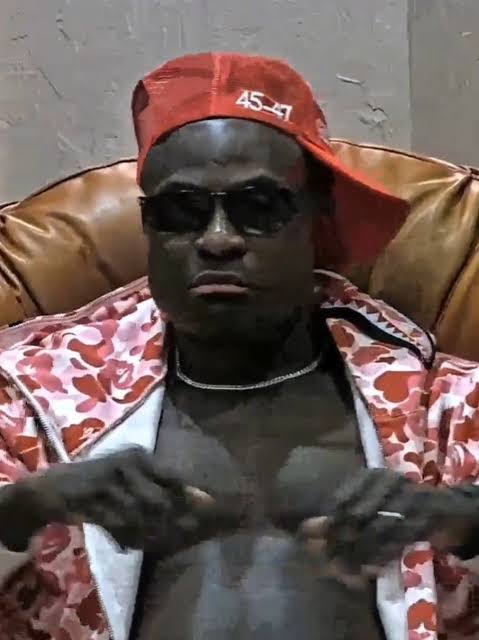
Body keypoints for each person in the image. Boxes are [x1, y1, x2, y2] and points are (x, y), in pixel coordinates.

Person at [0, 52, 478, 640]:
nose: (219, 239)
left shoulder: (438, 406)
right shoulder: (36, 395)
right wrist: (29, 504)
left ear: (318, 221)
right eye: (182, 211)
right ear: (148, 226)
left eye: (259, 207)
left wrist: (461, 517)